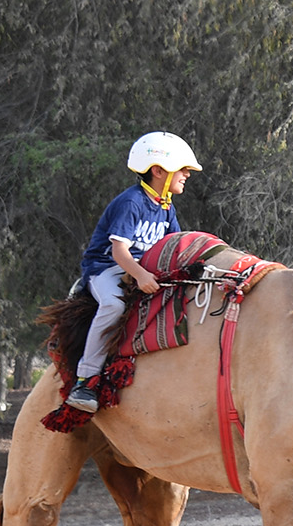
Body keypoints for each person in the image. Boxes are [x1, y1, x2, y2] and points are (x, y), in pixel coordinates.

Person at [65, 132, 202, 412]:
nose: (187, 174)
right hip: (107, 269)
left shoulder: (165, 206)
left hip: (143, 268)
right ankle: (85, 381)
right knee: (114, 305)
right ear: (158, 171)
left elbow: (173, 245)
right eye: (182, 168)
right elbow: (119, 252)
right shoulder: (132, 202)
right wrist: (140, 276)